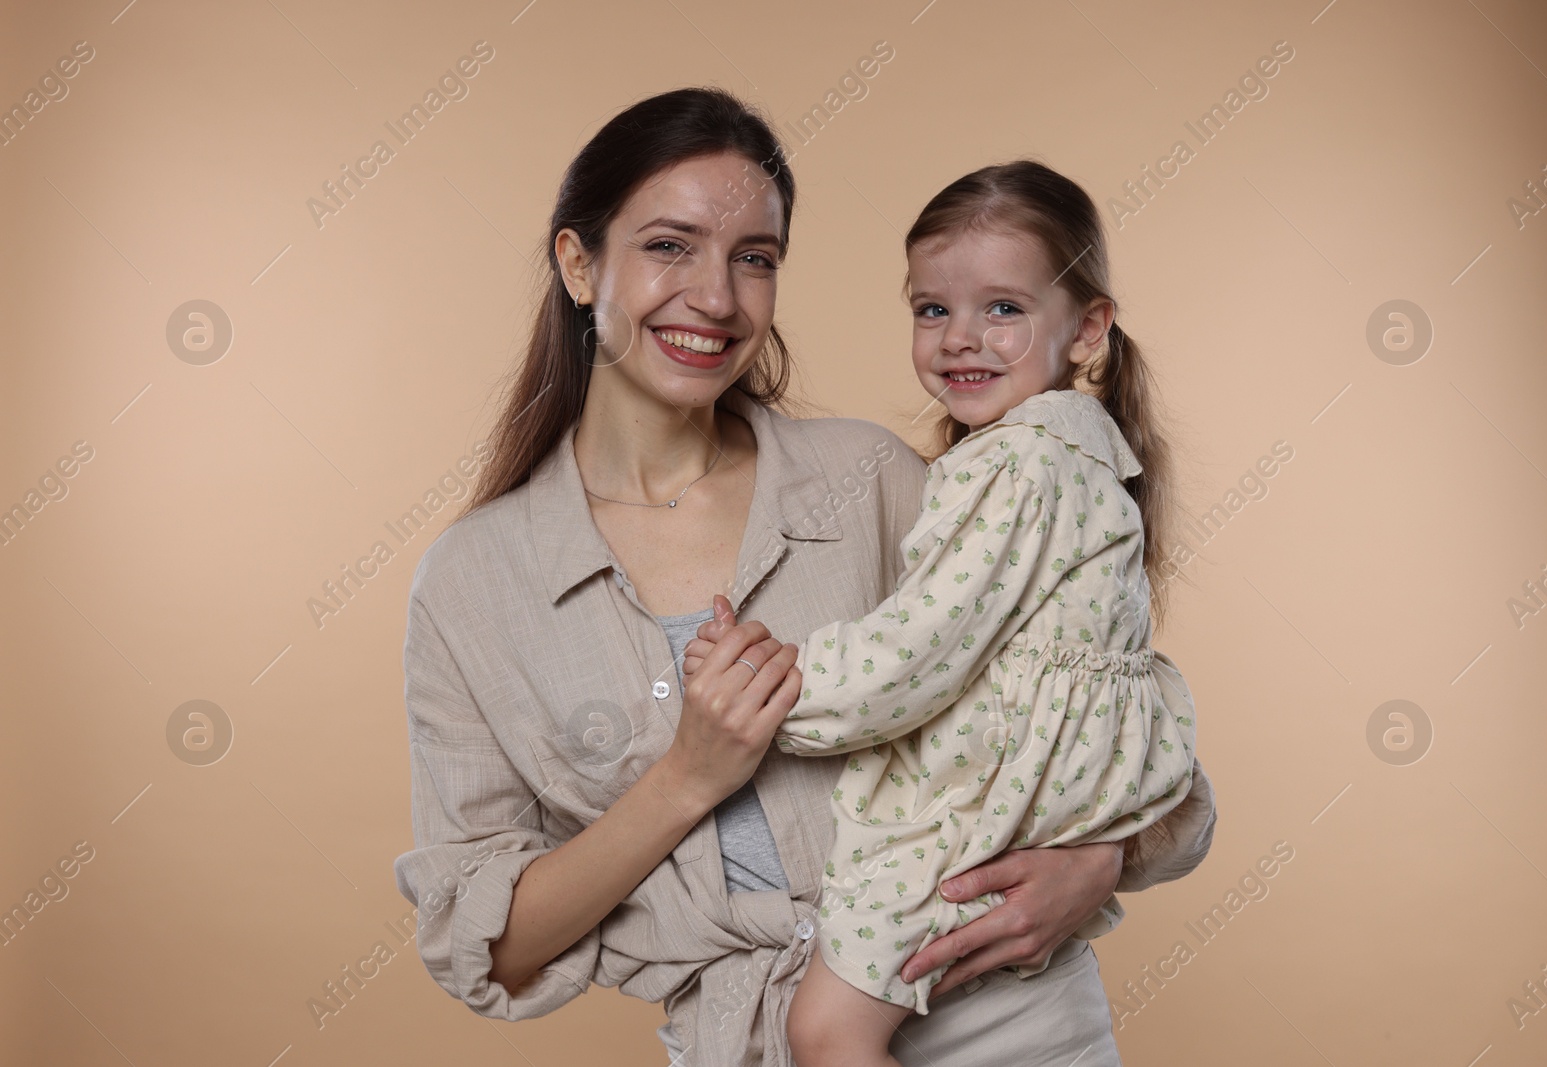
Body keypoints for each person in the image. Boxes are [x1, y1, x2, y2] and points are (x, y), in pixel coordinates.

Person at [392, 87, 1218, 1067]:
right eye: (669, 245)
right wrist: (687, 775)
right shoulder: (472, 584)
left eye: (755, 258)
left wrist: (1098, 861)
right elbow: (486, 945)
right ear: (579, 263)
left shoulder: (874, 481)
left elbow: (1116, 731)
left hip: (1003, 1014)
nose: (715, 296)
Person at [684, 161, 1196, 1067]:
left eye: (1003, 308)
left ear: (1087, 328)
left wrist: (769, 688)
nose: (962, 338)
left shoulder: (1015, 469)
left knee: (826, 1030)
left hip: (974, 817)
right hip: (1041, 808)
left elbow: (913, 657)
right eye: (932, 310)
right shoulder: (1083, 462)